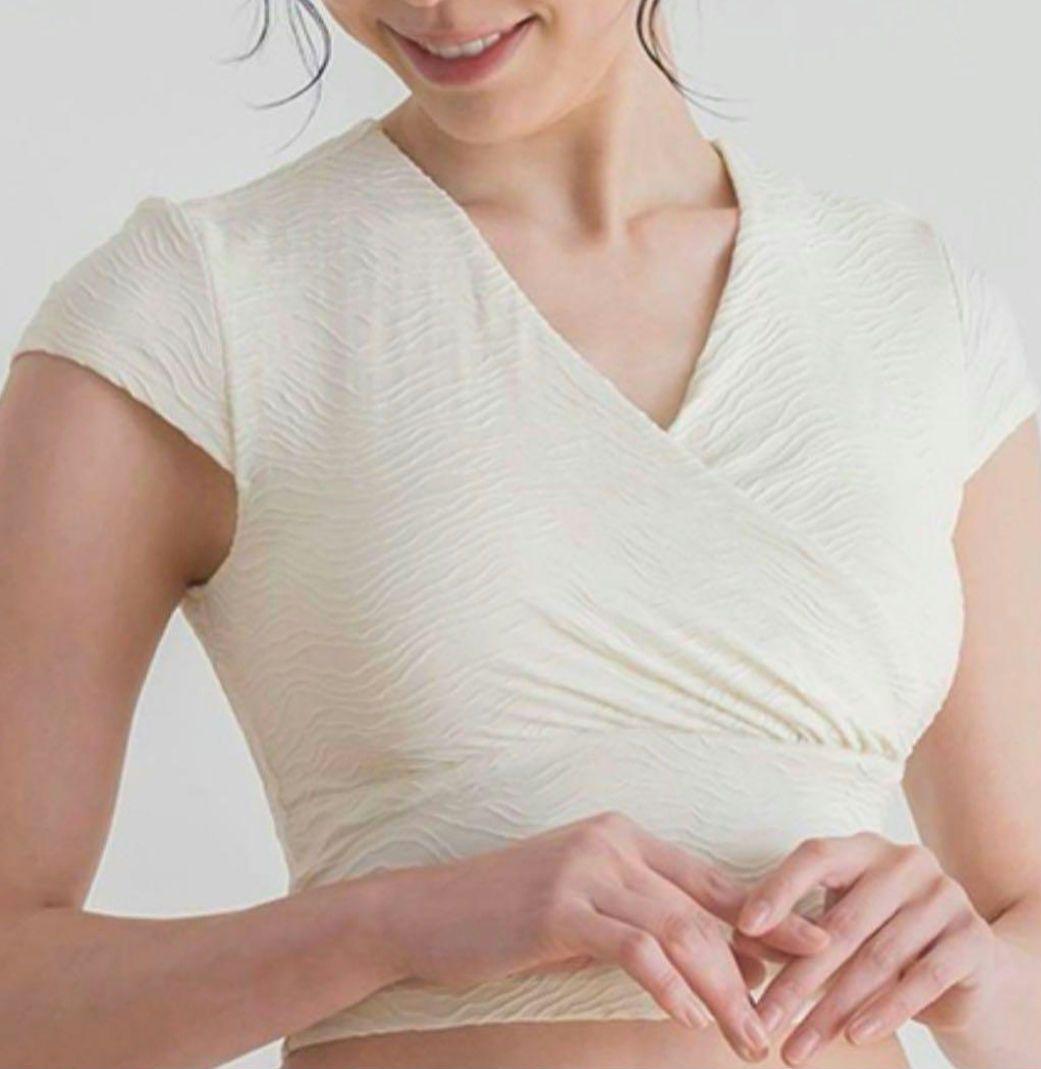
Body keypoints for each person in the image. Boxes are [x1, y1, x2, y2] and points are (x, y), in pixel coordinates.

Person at [4, 1, 1041, 1067]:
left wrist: (978, 976)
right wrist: (387, 926)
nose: (440, 8)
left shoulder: (914, 308)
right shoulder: (199, 305)